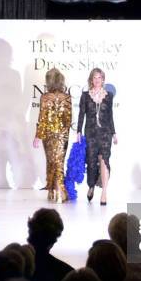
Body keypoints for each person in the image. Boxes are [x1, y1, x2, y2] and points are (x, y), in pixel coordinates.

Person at [77, 68, 117, 205]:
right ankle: (91, 186)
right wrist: (78, 132)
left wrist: (114, 133)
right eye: (94, 77)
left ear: (103, 79)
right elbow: (81, 114)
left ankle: (104, 192)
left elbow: (110, 116)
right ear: (91, 79)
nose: (97, 80)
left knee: (105, 161)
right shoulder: (85, 96)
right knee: (92, 163)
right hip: (91, 134)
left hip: (105, 134)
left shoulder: (109, 95)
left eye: (99, 77)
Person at [33, 68, 72, 203]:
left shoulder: (45, 97)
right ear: (61, 80)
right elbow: (68, 119)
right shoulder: (67, 97)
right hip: (62, 135)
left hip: (48, 135)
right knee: (59, 162)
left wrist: (38, 136)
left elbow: (42, 119)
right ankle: (60, 192)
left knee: (51, 161)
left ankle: (52, 191)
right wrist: (63, 132)